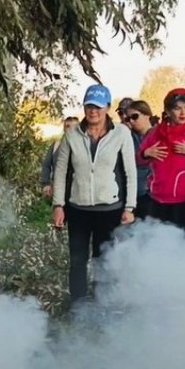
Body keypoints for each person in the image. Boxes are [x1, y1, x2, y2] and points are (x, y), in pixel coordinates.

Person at [51, 84, 137, 305]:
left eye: (98, 106)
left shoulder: (121, 133)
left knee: (104, 259)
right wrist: (58, 205)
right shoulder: (71, 135)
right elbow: (60, 172)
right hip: (78, 208)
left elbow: (130, 172)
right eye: (89, 106)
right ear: (84, 107)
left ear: (107, 107)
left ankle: (102, 304)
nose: (93, 111)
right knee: (78, 260)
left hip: (108, 209)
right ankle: (78, 305)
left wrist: (129, 207)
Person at [138, 88, 185, 235]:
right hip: (156, 199)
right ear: (167, 110)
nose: (183, 113)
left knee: (178, 248)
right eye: (177, 108)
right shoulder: (156, 132)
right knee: (154, 245)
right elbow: (139, 160)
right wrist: (146, 153)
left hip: (183, 202)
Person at [123, 101, 157, 219]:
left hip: (151, 194)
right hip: (129, 194)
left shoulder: (159, 135)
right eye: (128, 119)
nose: (131, 121)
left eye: (135, 116)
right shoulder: (127, 136)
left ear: (147, 115)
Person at [39, 117, 79, 198]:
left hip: (78, 192)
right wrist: (46, 183)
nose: (70, 129)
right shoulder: (56, 145)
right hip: (59, 190)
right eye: (67, 126)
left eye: (73, 127)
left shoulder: (85, 146)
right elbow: (46, 164)